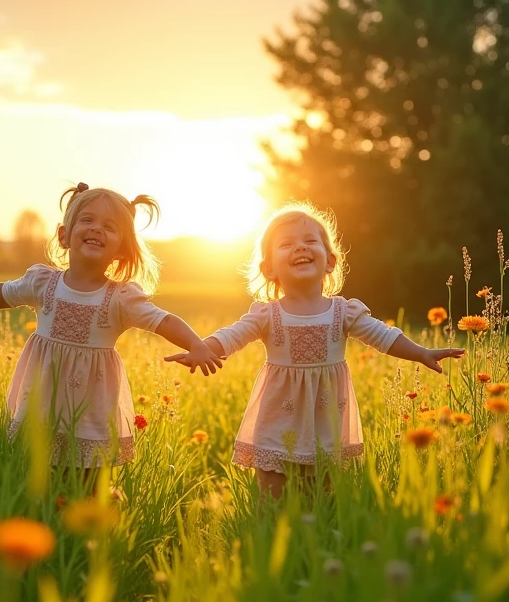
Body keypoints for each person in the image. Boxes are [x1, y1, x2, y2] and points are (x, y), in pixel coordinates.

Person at [165, 201, 464, 497]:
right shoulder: (267, 315)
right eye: (286, 244)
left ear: (330, 261)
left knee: (324, 492)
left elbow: (383, 336)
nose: (301, 248)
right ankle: (272, 534)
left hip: (327, 417)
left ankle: (318, 534)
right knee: (273, 492)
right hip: (278, 416)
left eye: (310, 241)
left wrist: (420, 352)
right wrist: (203, 347)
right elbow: (232, 336)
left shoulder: (342, 312)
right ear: (269, 269)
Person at [0, 183, 220, 468]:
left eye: (109, 226)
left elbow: (163, 320)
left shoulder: (120, 298)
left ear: (122, 248)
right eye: (87, 220)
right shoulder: (43, 283)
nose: (96, 229)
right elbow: (4, 292)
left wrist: (196, 344)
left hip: (92, 408)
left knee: (88, 475)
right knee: (33, 469)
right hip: (42, 401)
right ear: (64, 236)